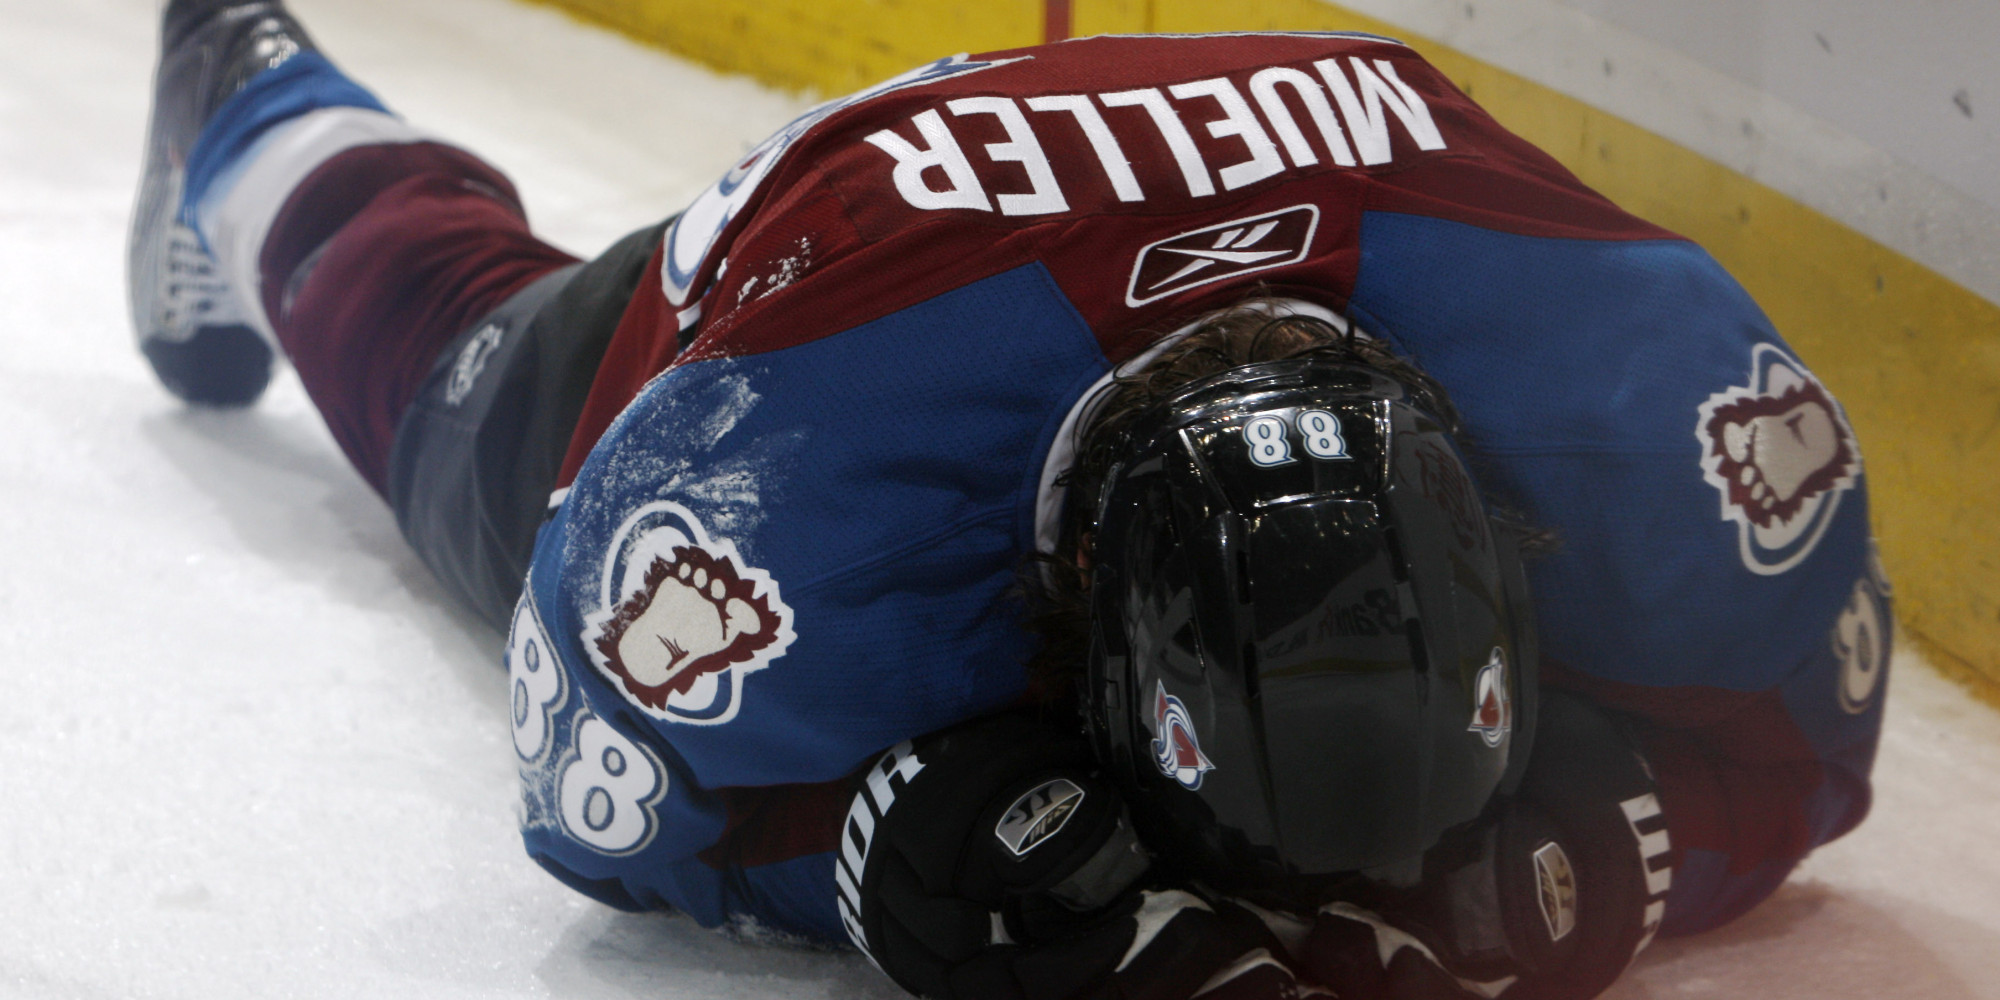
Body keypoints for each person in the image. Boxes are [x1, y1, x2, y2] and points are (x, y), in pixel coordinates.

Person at [131, 2, 1892, 997]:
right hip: (811, 294)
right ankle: (247, 86)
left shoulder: (1644, 403)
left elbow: (1815, 734)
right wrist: (889, 854)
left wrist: (1627, 832)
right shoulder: (788, 503)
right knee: (429, 336)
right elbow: (604, 807)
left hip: (1034, 245)